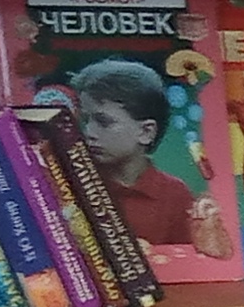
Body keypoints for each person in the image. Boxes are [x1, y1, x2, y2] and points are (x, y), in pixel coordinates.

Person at [64, 57, 199, 254]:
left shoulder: (175, 195)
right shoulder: (71, 186)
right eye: (85, 120)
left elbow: (188, 262)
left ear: (146, 132)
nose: (89, 132)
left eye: (104, 122)